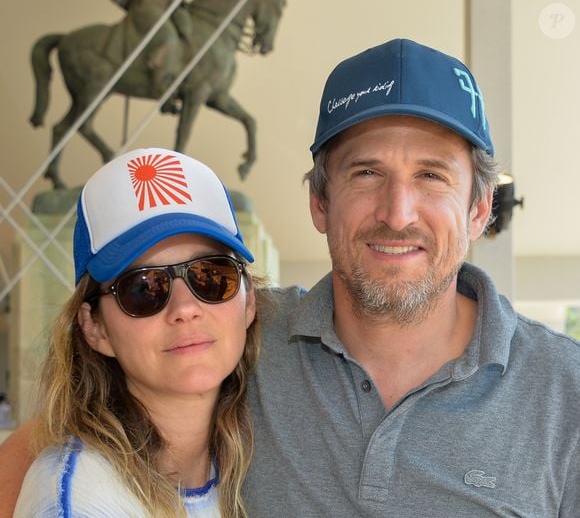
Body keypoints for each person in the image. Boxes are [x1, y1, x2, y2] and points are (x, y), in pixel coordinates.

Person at [2, 38, 580, 517]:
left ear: (478, 209)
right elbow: (65, 438)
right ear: (320, 203)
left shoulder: (565, 392)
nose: (398, 211)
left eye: (432, 176)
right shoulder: (237, 336)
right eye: (366, 172)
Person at [10, 148, 259, 517]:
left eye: (211, 275)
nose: (185, 309)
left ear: (249, 300)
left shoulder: (258, 456)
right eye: (144, 288)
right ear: (95, 328)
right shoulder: (80, 499)